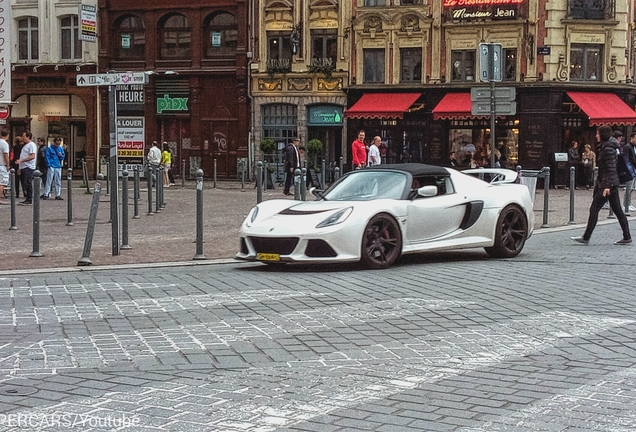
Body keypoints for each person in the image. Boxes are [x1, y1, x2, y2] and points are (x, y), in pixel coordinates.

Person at [571, 125, 631, 245]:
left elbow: (611, 168)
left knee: (594, 209)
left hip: (607, 184)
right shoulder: (608, 147)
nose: (596, 135)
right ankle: (627, 236)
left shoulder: (608, 149)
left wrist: (607, 186)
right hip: (609, 183)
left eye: (598, 133)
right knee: (618, 210)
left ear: (603, 134)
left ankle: (586, 237)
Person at [15, 131, 37, 205]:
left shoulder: (31, 145)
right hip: (24, 166)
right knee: (25, 183)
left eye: (24, 136)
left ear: (28, 137)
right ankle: (27, 197)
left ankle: (29, 198)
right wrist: (20, 168)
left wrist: (21, 160)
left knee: (28, 182)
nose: (22, 138)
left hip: (29, 166)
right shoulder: (25, 145)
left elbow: (32, 156)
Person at [0, 129, 9, 205]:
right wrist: (8, 165)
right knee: (2, 183)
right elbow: (6, 155)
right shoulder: (4, 144)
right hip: (2, 165)